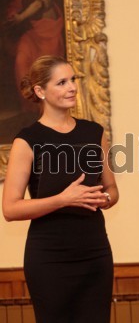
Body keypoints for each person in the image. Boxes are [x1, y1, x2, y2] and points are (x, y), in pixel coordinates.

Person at [2, 55, 118, 323]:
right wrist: (64, 199)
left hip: (95, 254)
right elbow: (10, 208)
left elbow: (112, 189)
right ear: (40, 91)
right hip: (49, 259)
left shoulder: (94, 132)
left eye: (73, 79)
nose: (72, 87)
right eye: (62, 82)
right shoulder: (27, 140)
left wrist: (104, 198)